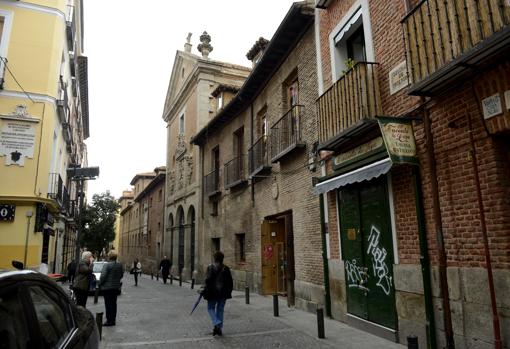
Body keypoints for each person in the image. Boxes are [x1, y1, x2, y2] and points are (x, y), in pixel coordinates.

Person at [202, 251, 233, 336]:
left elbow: (207, 280)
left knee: (210, 308)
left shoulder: (210, 267)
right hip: (223, 293)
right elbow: (230, 281)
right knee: (220, 310)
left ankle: (216, 322)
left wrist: (205, 289)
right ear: (222, 259)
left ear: (214, 258)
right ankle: (219, 328)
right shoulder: (226, 268)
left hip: (212, 293)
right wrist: (229, 292)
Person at [99, 251, 123, 326]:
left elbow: (103, 276)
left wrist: (99, 283)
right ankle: (113, 319)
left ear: (109, 257)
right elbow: (121, 275)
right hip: (116, 287)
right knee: (113, 303)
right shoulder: (119, 265)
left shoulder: (107, 265)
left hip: (107, 288)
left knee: (108, 304)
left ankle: (109, 320)